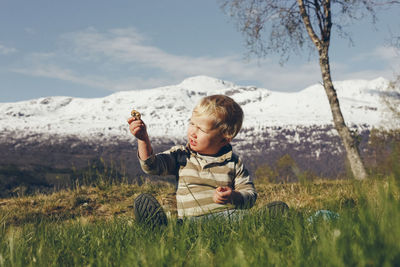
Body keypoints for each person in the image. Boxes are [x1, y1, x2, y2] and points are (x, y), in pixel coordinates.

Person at [128, 94, 257, 226]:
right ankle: (157, 226)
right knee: (179, 226)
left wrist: (234, 196)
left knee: (244, 218)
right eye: (192, 123)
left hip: (225, 218)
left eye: (201, 129)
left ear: (224, 139)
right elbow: (152, 166)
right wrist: (143, 139)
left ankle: (267, 218)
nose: (192, 132)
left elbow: (250, 195)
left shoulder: (234, 163)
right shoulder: (181, 155)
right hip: (189, 222)